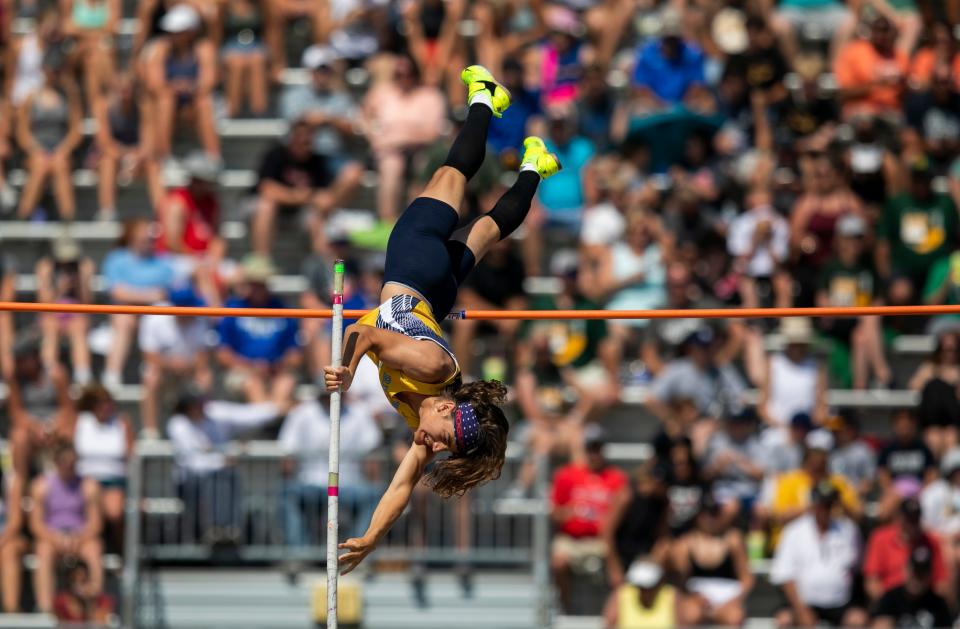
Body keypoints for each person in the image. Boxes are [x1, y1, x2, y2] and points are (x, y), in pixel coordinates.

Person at [323, 65, 561, 575]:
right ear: (451, 411)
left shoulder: (429, 420)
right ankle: (484, 100)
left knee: (486, 233)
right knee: (451, 175)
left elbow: (401, 486)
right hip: (413, 267)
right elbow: (360, 332)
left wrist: (369, 538)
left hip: (435, 291)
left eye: (437, 447)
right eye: (439, 438)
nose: (427, 445)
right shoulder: (431, 369)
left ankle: (535, 167)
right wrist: (345, 371)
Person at [167, 390, 283, 543]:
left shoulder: (214, 414)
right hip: (189, 482)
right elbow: (192, 462)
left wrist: (277, 409)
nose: (202, 406)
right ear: (188, 407)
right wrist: (222, 460)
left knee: (226, 476)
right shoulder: (178, 424)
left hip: (216, 476)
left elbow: (246, 416)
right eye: (197, 404)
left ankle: (229, 530)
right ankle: (216, 529)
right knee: (218, 478)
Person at [279, 387, 382, 551]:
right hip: (310, 482)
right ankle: (298, 554)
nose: (331, 397)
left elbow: (371, 454)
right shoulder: (301, 413)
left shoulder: (360, 412)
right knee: (287, 493)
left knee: (375, 495)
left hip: (349, 483)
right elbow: (288, 453)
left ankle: (356, 550)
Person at [251, 121, 360, 257]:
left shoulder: (317, 162)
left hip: (301, 212)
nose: (303, 143)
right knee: (265, 205)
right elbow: (267, 189)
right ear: (291, 139)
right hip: (269, 209)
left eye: (307, 141)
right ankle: (261, 260)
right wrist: (300, 197)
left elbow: (323, 197)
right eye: (299, 139)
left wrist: (314, 199)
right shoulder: (276, 155)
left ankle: (325, 267)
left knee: (317, 219)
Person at [550, 426, 628, 612]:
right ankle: (565, 606)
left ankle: (613, 613)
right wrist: (569, 512)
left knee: (615, 567)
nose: (595, 453)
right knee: (558, 560)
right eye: (591, 448)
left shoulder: (616, 478)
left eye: (598, 448)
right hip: (572, 539)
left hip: (602, 541)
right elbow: (555, 513)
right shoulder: (567, 475)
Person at [361, 56, 447, 222]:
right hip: (388, 149)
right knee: (391, 165)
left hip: (421, 148)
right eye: (397, 75)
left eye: (407, 74)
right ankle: (387, 220)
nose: (402, 79)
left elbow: (433, 132)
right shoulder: (382, 93)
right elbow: (364, 116)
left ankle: (416, 221)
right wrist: (374, 137)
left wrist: (402, 140)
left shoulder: (430, 96)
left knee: (424, 165)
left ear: (415, 74)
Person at [770, 481, 867, 628]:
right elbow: (784, 575)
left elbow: (857, 567)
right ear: (813, 505)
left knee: (858, 620)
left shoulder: (849, 530)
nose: (825, 510)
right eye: (822, 504)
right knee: (785, 620)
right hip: (804, 601)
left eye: (829, 505)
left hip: (840, 602)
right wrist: (800, 608)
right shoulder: (794, 531)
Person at [816, 213, 891, 389]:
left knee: (861, 336)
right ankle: (883, 373)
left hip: (861, 323)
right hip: (837, 322)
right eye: (849, 238)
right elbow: (822, 300)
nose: (854, 243)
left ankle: (860, 388)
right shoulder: (830, 268)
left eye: (858, 238)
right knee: (867, 320)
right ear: (840, 240)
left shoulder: (868, 268)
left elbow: (878, 301)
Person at [100, 219, 175, 390]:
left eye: (150, 237)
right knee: (124, 320)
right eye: (143, 236)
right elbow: (117, 292)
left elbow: (166, 292)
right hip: (128, 312)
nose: (148, 239)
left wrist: (139, 296)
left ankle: (153, 367)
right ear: (132, 237)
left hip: (154, 314)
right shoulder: (116, 259)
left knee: (160, 317)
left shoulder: (162, 262)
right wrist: (150, 296)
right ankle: (112, 374)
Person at [216, 255, 301, 404]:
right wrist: (251, 367)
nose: (258, 288)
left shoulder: (282, 309)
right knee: (253, 384)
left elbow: (294, 354)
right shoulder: (233, 308)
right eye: (254, 283)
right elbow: (223, 354)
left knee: (286, 384)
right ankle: (270, 420)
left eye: (262, 283)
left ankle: (268, 419)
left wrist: (276, 367)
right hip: (242, 371)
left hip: (276, 371)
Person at [29, 444, 103, 614]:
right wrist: (55, 538)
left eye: (72, 461)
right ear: (56, 462)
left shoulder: (89, 486)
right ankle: (45, 607)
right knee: (43, 551)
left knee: (94, 549)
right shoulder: (41, 486)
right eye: (65, 461)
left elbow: (95, 523)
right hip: (52, 536)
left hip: (81, 536)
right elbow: (36, 524)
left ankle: (95, 603)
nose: (69, 465)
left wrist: (79, 538)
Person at [142, 3, 219, 163]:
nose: (173, 35)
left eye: (178, 32)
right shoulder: (159, 49)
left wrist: (189, 88)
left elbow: (208, 83)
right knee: (165, 100)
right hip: (169, 104)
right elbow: (154, 84)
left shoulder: (204, 49)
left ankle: (213, 157)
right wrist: (177, 88)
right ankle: (165, 158)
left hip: (193, 104)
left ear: (190, 32)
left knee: (203, 103)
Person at [14, 48, 82, 221]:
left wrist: (63, 149)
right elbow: (22, 131)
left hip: (61, 148)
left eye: (57, 70)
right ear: (43, 70)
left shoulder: (69, 97)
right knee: (39, 164)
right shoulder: (31, 97)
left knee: (60, 165)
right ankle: (23, 217)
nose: (53, 73)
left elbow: (75, 129)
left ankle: (67, 221)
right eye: (50, 69)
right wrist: (35, 149)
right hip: (36, 149)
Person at [139, 285, 213, 437]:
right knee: (151, 377)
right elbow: (149, 355)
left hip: (189, 369)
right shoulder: (155, 317)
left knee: (205, 378)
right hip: (163, 369)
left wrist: (186, 365)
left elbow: (202, 358)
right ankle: (150, 431)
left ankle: (203, 430)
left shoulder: (200, 320)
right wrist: (172, 364)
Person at [877, 155, 958, 290]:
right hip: (904, 270)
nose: (921, 183)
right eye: (917, 178)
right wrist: (886, 278)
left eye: (925, 178)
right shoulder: (897, 204)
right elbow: (883, 241)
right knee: (900, 291)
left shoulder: (945, 203)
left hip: (939, 269)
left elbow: (955, 237)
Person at [672, 496, 753, 626]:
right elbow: (680, 580)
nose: (710, 518)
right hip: (697, 596)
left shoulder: (733, 539)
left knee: (734, 617)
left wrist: (734, 600)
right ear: (697, 516)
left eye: (714, 513)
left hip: (728, 596)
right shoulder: (685, 544)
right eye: (705, 514)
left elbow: (746, 578)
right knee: (689, 614)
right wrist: (695, 597)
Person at [93, 74, 161, 220]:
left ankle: (161, 213)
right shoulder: (103, 106)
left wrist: (135, 157)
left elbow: (148, 142)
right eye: (121, 88)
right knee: (107, 162)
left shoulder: (144, 107)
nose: (125, 91)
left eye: (128, 88)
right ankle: (107, 210)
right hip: (113, 157)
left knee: (153, 166)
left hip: (135, 158)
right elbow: (104, 142)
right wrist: (126, 157)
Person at [73, 384, 132, 550]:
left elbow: (131, 458)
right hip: (84, 482)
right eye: (100, 403)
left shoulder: (122, 423)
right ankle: (87, 550)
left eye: (108, 402)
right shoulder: (81, 422)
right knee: (90, 496)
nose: (105, 406)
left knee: (114, 511)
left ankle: (120, 551)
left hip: (114, 481)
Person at [864, 498, 949, 603]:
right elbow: (872, 581)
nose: (911, 524)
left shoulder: (931, 542)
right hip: (890, 602)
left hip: (923, 602)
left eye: (915, 519)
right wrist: (887, 605)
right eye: (908, 519)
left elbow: (940, 582)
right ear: (899, 518)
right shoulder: (880, 538)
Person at [36, 233, 95, 386]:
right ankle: (49, 374)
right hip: (52, 313)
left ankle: (83, 376)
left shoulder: (84, 267)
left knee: (79, 326)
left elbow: (88, 303)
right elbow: (43, 302)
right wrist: (60, 290)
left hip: (76, 314)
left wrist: (81, 282)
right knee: (50, 327)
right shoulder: (45, 267)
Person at [757, 317, 827, 441]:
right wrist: (782, 427)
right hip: (778, 429)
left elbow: (821, 406)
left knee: (822, 440)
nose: (798, 347)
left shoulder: (816, 366)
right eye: (795, 343)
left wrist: (806, 428)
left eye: (801, 343)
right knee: (771, 440)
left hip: (807, 430)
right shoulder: (773, 363)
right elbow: (762, 405)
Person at [7, 349, 75, 478]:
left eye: (22, 360)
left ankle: (64, 482)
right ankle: (20, 483)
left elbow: (67, 409)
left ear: (35, 357)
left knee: (68, 434)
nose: (18, 364)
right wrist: (35, 428)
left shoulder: (57, 374)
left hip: (55, 427)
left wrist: (51, 428)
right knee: (18, 438)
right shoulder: (15, 379)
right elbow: (16, 412)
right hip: (31, 430)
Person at [833, 16, 909, 120]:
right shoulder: (854, 52)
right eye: (878, 30)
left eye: (886, 30)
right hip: (860, 111)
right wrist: (878, 85)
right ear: (871, 31)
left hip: (891, 113)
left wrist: (904, 85)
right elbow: (842, 94)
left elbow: (907, 93)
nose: (882, 35)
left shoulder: (900, 57)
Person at [872, 544, 953, 629]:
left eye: (922, 573)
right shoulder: (890, 599)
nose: (917, 578)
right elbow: (879, 624)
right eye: (914, 572)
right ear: (905, 570)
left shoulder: (938, 605)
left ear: (930, 575)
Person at [876, 409, 937, 520]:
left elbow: (931, 475)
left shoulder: (923, 449)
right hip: (895, 491)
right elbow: (883, 475)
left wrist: (921, 492)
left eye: (907, 425)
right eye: (900, 424)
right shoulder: (887, 449)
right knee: (884, 510)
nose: (904, 428)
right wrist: (893, 491)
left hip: (920, 491)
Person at [215, 0, 268, 117]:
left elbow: (272, 29)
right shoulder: (223, 5)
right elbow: (216, 32)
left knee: (257, 61)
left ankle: (258, 113)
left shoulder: (263, 4)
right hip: (231, 45)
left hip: (256, 44)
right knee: (236, 64)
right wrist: (216, 63)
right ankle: (232, 112)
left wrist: (276, 63)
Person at [604, 559, 679, 629]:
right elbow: (608, 625)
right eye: (641, 586)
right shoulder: (621, 594)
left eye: (649, 586)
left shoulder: (671, 595)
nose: (645, 590)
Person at [52, 560, 115, 625]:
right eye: (74, 580)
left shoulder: (102, 600)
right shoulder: (61, 601)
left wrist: (90, 602)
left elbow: (99, 622)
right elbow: (62, 623)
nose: (78, 585)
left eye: (83, 581)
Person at [0, 472, 26, 613]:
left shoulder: (12, 481)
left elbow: (15, 522)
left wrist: (2, 540)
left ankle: (11, 609)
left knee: (9, 551)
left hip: (8, 538)